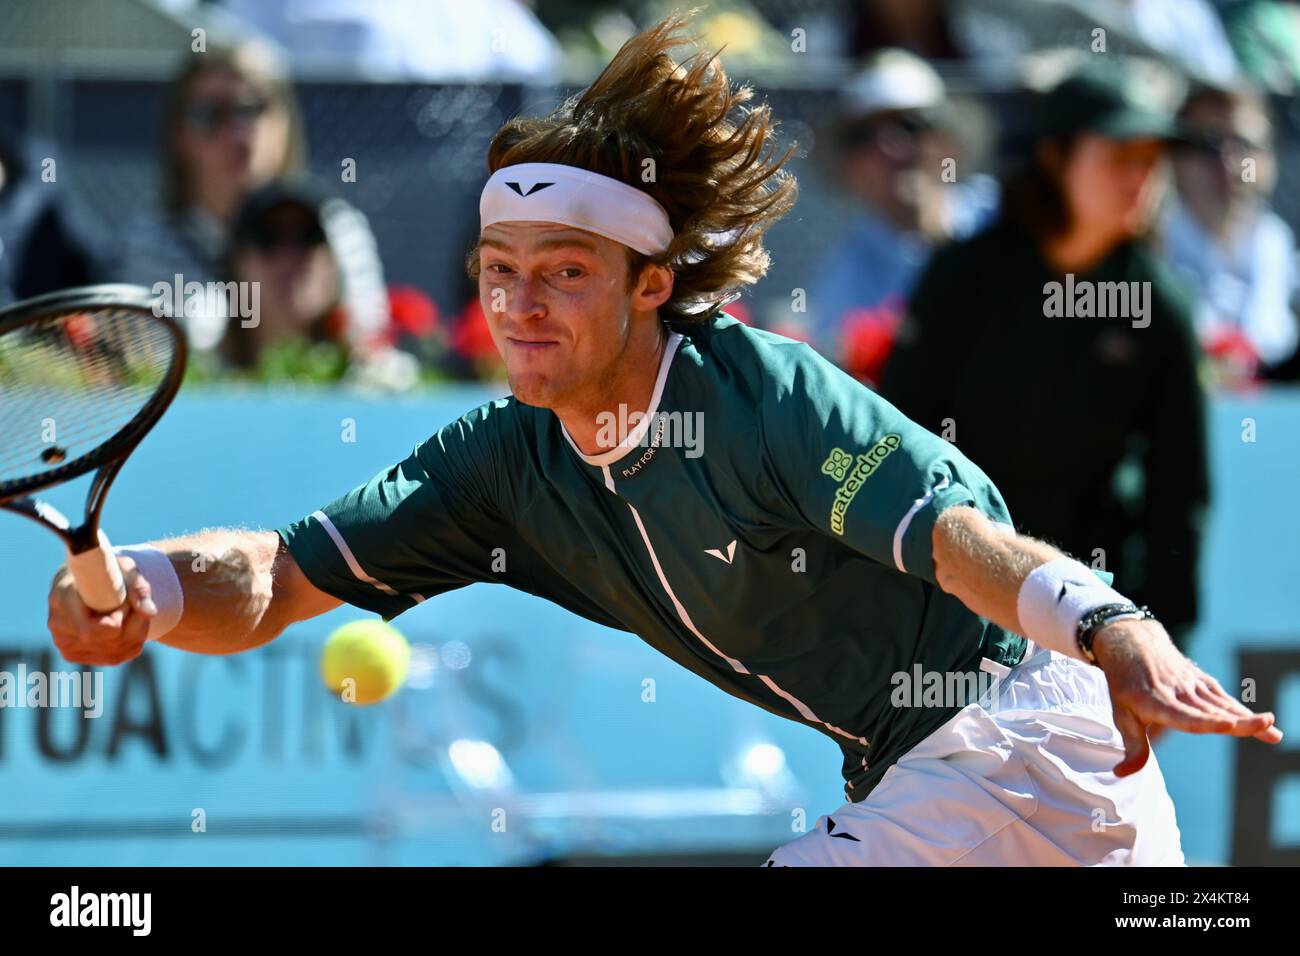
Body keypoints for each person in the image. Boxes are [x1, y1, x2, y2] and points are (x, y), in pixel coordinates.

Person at [47, 16, 1279, 867]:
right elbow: (276, 574)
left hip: (1028, 730)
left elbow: (957, 542)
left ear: (650, 283)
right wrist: (146, 588)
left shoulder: (758, 395)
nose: (520, 305)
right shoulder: (495, 463)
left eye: (564, 271)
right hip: (912, 781)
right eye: (498, 272)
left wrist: (1112, 627)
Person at [881, 61, 1211, 655]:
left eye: (1150, 159)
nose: (1140, 177)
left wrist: (1164, 644)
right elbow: (900, 436)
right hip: (950, 603)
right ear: (1055, 158)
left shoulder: (1160, 304)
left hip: (1090, 616)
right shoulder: (965, 278)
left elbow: (1178, 490)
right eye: (1119, 155)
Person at [807, 48, 997, 383]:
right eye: (863, 137)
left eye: (910, 126)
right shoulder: (844, 277)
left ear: (949, 143)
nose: (889, 148)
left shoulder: (1009, 216)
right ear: (850, 168)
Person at [115, 39, 306, 351]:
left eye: (251, 109)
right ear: (178, 136)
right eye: (207, 115)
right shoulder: (148, 244)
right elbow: (150, 368)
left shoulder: (330, 227)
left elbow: (369, 357)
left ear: (284, 122)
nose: (235, 132)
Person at [206, 179, 435, 389]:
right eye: (269, 237)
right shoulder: (203, 382)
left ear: (335, 262)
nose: (290, 256)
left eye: (308, 237)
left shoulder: (382, 383)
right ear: (236, 263)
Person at [1162, 82, 1300, 385]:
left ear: (1270, 160)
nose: (1228, 162)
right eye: (1208, 145)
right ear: (1173, 157)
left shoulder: (1277, 248)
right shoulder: (1147, 254)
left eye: (1245, 146)